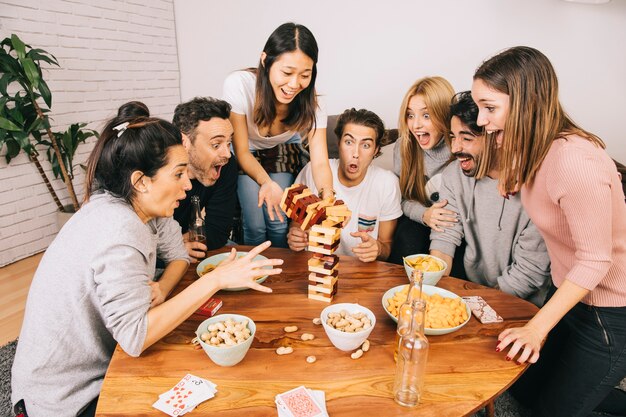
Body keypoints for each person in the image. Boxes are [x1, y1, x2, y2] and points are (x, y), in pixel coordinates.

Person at [11, 114, 282, 417]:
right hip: (63, 402)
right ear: (140, 181)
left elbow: (176, 258)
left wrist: (168, 288)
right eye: (178, 174)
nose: (188, 183)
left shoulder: (115, 207)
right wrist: (215, 279)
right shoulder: (121, 233)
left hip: (81, 376)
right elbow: (135, 338)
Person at [472, 46, 626, 417]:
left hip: (611, 310)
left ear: (526, 103)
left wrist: (536, 329)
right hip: (569, 293)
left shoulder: (575, 161)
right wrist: (512, 172)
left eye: (490, 107)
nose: (480, 120)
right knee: (523, 388)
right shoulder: (530, 146)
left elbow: (595, 260)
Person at [429, 91, 551, 307]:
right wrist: (432, 289)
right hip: (472, 294)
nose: (455, 148)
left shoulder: (537, 186)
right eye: (452, 137)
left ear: (497, 137)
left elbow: (529, 272)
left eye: (466, 138)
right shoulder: (453, 175)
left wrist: (476, 306)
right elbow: (445, 238)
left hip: (523, 305)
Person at [222, 22, 333, 248]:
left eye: (305, 75)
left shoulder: (315, 103)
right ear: (265, 60)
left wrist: (328, 197)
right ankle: (253, 272)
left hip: (283, 150)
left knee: (279, 222)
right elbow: (242, 151)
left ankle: (281, 277)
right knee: (255, 224)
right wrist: (266, 182)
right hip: (247, 150)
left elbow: (320, 162)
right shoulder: (239, 85)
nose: (294, 84)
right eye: (287, 72)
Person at [287, 108, 402, 262]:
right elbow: (296, 225)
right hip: (316, 266)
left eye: (366, 145)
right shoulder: (312, 171)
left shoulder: (388, 184)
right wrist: (295, 236)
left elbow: (386, 246)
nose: (355, 153)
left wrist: (378, 249)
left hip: (362, 272)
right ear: (338, 143)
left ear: (376, 150)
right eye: (349, 142)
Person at [387, 76, 458, 264]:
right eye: (410, 115)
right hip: (417, 219)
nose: (416, 125)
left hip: (452, 226)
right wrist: (424, 215)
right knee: (408, 238)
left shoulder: (463, 148)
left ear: (444, 114)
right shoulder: (404, 146)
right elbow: (398, 198)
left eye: (426, 115)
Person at [172, 97, 239, 260]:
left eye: (229, 143)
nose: (227, 154)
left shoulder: (226, 167)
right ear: (184, 141)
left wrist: (180, 242)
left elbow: (218, 232)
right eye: (216, 145)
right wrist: (172, 248)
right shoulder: (156, 173)